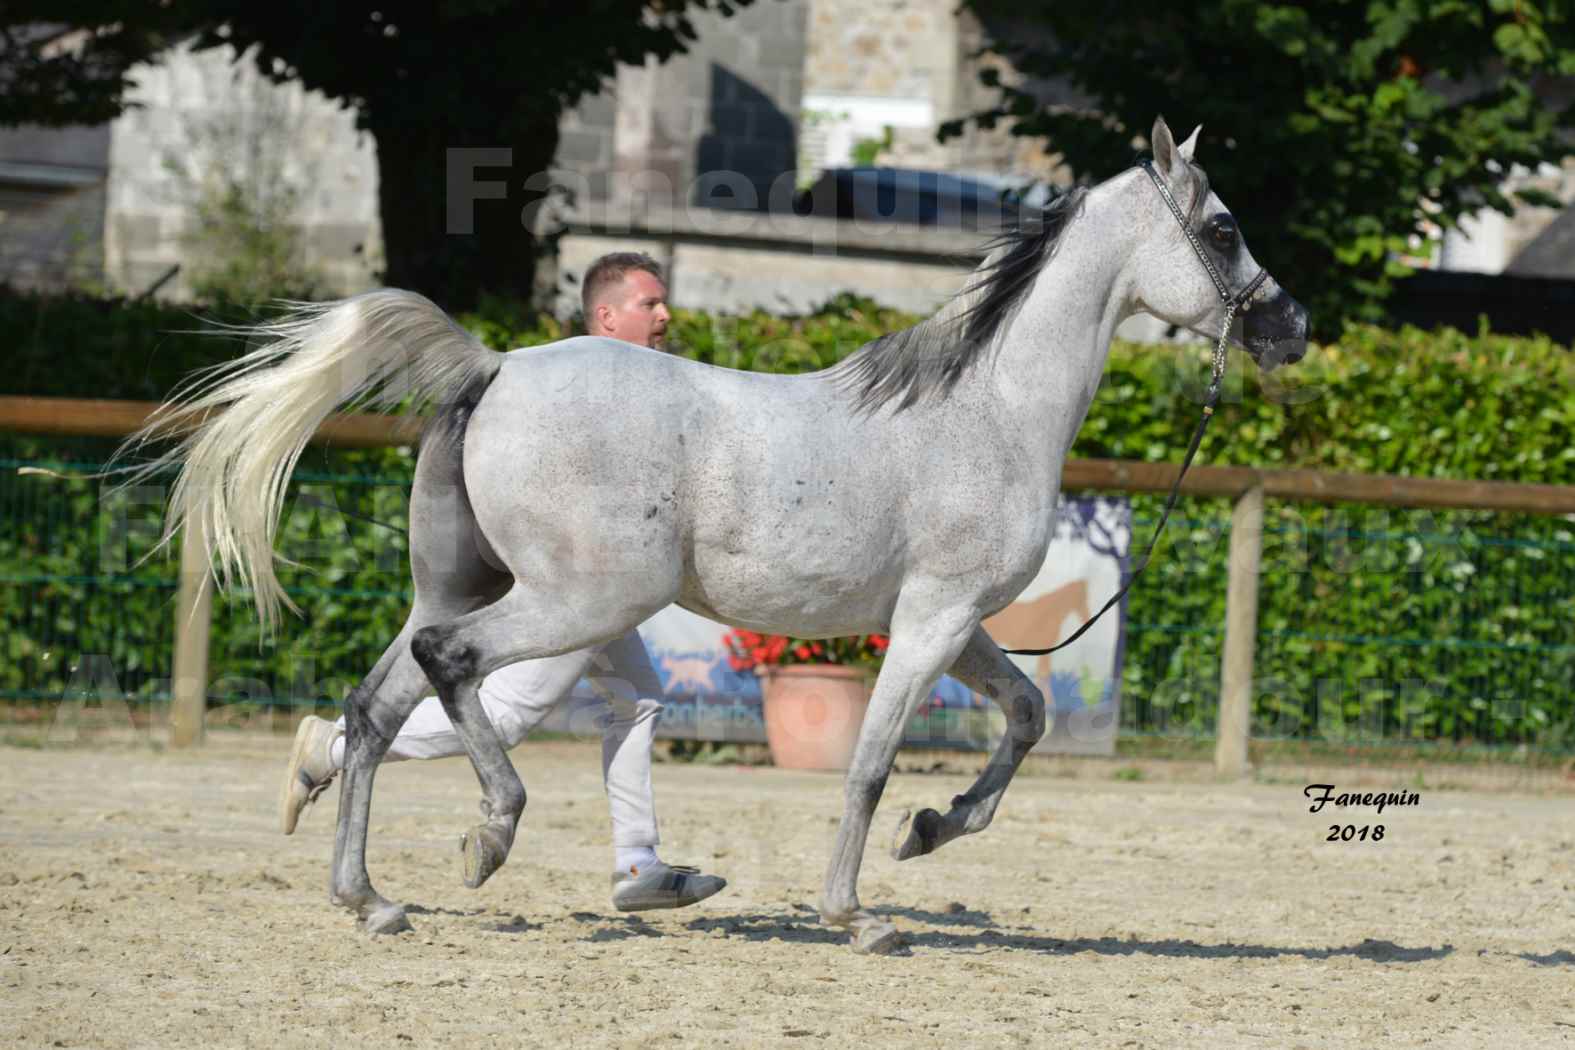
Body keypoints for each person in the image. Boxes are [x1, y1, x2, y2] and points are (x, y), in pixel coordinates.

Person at [280, 252, 723, 911]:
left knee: (636, 696)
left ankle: (638, 865)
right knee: (514, 712)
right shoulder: (589, 387)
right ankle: (336, 746)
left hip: (596, 573)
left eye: (662, 303)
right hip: (582, 575)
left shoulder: (603, 383)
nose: (664, 315)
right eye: (647, 304)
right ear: (605, 315)